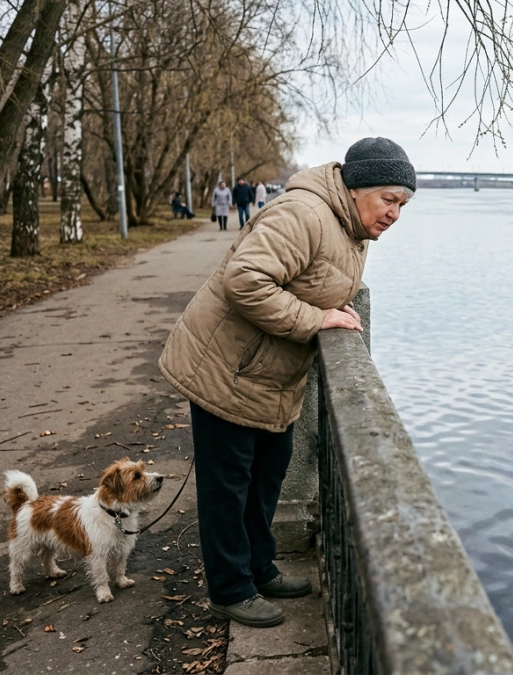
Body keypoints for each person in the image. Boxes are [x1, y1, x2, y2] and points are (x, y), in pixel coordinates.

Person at [157, 137, 415, 628]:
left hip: (266, 376)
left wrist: (330, 305)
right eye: (388, 199)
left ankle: (258, 568)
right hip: (226, 368)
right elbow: (245, 280)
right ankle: (230, 589)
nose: (394, 214)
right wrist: (317, 319)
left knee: (266, 477)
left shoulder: (350, 227)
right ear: (356, 187)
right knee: (228, 488)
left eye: (403, 204)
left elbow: (311, 277)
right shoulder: (304, 214)